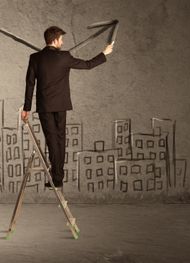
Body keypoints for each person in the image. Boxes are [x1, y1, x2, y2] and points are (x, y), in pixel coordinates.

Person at [21, 26, 114, 188]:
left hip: (45, 106)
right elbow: (88, 65)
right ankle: (58, 177)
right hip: (61, 105)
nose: (63, 42)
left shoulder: (35, 57)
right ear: (55, 40)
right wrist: (104, 53)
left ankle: (56, 177)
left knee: (51, 140)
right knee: (60, 139)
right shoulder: (65, 57)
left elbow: (30, 84)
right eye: (61, 39)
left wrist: (26, 108)